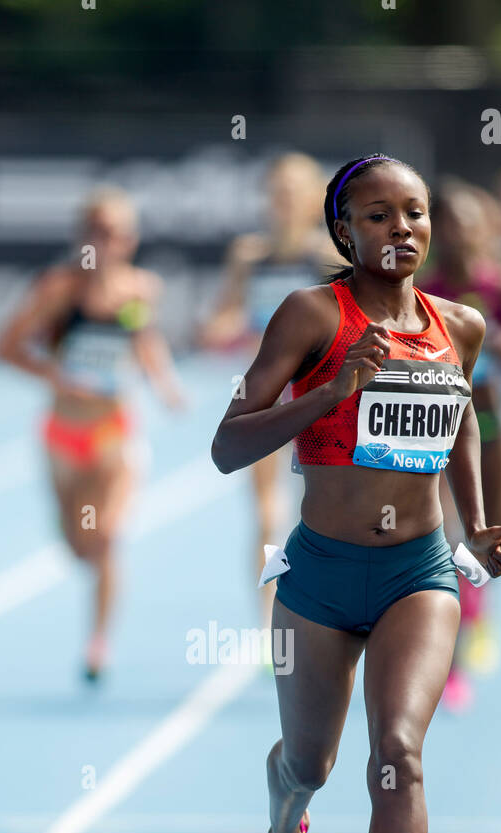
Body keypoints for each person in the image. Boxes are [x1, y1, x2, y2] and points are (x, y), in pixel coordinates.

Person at [211, 154, 501, 833]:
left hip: (416, 575)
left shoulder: (460, 325)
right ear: (345, 231)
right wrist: (331, 394)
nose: (402, 229)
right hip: (317, 577)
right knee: (310, 764)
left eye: (414, 213)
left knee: (401, 755)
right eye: (378, 215)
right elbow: (228, 446)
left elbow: (460, 417)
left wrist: (480, 530)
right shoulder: (312, 315)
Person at [0, 186, 184, 679]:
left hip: (113, 430)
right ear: (82, 237)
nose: (107, 242)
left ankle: (98, 645)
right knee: (79, 547)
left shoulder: (140, 290)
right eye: (98, 232)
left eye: (118, 233)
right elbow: (6, 347)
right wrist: (54, 375)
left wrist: (164, 385)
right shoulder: (58, 290)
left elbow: (143, 339)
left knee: (105, 538)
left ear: (131, 239)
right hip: (62, 434)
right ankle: (77, 542)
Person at [201, 153, 333, 626]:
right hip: (261, 398)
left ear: (313, 199)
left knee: (321, 512)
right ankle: (268, 620)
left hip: (317, 399)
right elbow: (220, 318)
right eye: (277, 192)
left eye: (294, 192)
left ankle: (322, 614)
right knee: (263, 515)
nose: (283, 201)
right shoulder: (249, 255)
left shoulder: (328, 257)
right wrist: (228, 325)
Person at [421, 179, 501, 707]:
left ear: (483, 229)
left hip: (494, 426)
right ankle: (455, 658)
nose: (458, 233)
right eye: (448, 223)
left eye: (468, 223)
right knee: (450, 540)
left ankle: (480, 611)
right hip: (442, 431)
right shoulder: (424, 289)